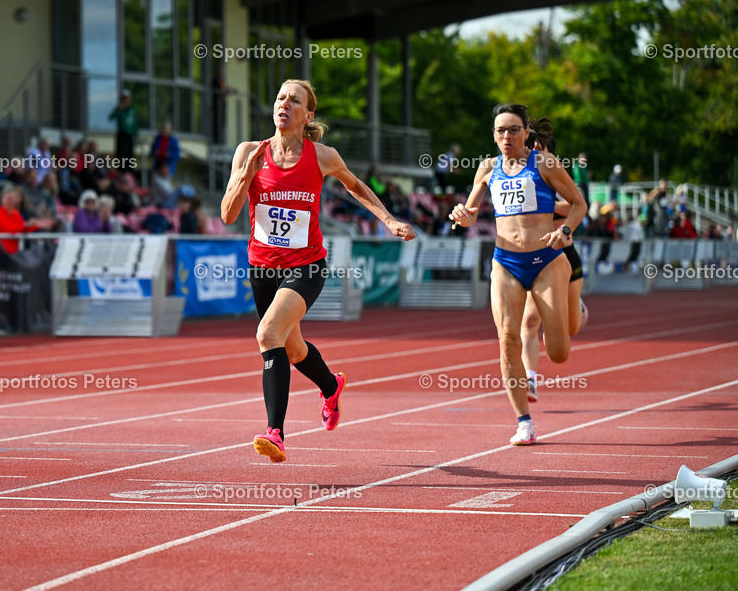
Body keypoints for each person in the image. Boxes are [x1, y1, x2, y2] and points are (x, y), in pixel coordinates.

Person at [220, 79, 416, 462]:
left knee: (268, 333)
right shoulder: (248, 152)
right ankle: (331, 385)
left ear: (307, 115)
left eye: (294, 100)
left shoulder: (323, 156)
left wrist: (389, 221)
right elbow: (228, 215)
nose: (284, 104)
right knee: (291, 347)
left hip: (306, 265)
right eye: (279, 98)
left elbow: (356, 187)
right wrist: (246, 175)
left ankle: (274, 432)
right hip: (262, 269)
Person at [449, 103, 585, 446]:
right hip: (505, 263)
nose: (506, 136)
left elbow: (579, 204)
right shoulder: (487, 167)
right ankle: (524, 422)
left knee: (559, 353)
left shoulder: (545, 164)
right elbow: (469, 213)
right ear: (493, 136)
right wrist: (462, 216)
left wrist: (565, 231)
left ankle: (575, 308)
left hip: (547, 261)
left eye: (513, 129)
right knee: (508, 338)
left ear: (526, 133)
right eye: (500, 131)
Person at [519, 131, 588, 405]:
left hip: (565, 259)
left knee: (566, 331)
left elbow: (578, 205)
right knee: (529, 321)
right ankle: (531, 380)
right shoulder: (517, 174)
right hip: (533, 259)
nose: (531, 154)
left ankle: (577, 307)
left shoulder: (554, 171)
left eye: (538, 149)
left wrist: (548, 210)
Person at [0, 185, 53, 253]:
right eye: (8, 198)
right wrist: (26, 224)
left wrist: (35, 224)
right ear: (2, 199)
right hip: (4, 251)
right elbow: (10, 229)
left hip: (17, 251)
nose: (11, 201)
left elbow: (23, 228)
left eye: (13, 198)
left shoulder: (15, 212)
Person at [108, 90, 138, 169]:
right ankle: (121, 170)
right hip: (122, 134)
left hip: (130, 134)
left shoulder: (133, 109)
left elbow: (135, 123)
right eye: (123, 99)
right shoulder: (120, 109)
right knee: (121, 154)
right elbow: (111, 117)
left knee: (130, 155)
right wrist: (119, 108)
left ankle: (129, 171)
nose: (125, 100)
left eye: (127, 98)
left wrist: (137, 136)